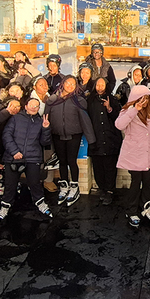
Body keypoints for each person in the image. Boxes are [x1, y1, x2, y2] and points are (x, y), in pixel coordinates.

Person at [0, 97, 54, 224]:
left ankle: (40, 203)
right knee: (10, 185)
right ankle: (5, 206)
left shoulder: (41, 121)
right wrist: (14, 152)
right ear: (26, 106)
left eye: (37, 106)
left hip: (33, 157)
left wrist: (46, 129)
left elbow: (45, 143)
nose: (34, 108)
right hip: (13, 157)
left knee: (35, 183)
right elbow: (6, 135)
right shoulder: (15, 118)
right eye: (32, 105)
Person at [45, 75, 96, 204]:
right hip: (57, 135)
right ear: (63, 83)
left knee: (71, 161)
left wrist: (91, 140)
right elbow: (46, 120)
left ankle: (74, 186)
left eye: (73, 84)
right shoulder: (52, 100)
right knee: (62, 162)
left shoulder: (78, 101)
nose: (70, 86)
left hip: (74, 135)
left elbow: (85, 121)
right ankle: (64, 185)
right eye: (68, 83)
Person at [116, 85, 150, 227]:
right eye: (141, 98)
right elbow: (119, 125)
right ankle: (131, 211)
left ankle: (145, 208)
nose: (144, 101)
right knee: (136, 182)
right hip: (134, 155)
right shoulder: (127, 111)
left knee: (148, 182)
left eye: (147, 98)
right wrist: (135, 109)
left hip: (148, 155)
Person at [86, 77, 122, 206]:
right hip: (96, 139)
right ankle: (102, 189)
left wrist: (109, 109)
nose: (100, 87)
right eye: (98, 85)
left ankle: (110, 190)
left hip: (110, 138)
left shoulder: (112, 100)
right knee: (98, 167)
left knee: (110, 167)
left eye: (102, 85)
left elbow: (119, 118)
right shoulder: (89, 100)